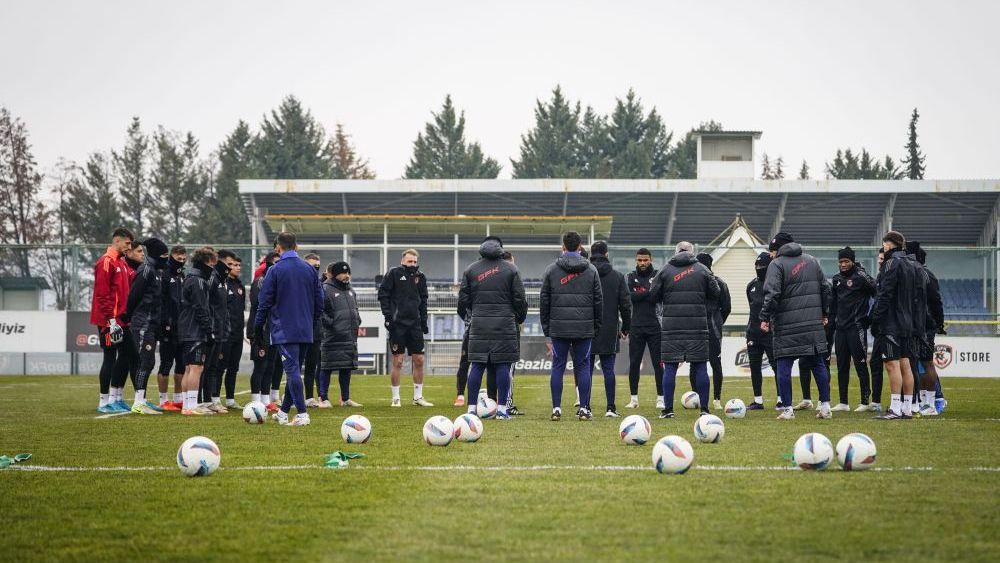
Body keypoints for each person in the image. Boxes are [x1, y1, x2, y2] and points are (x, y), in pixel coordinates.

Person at [759, 232, 833, 420]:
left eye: (772, 251)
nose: (771, 255)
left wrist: (764, 317)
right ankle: (825, 407)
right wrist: (824, 313)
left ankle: (788, 410)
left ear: (778, 249)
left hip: (786, 326)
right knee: (818, 364)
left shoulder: (776, 264)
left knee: (783, 366)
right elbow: (826, 288)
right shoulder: (812, 260)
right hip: (812, 323)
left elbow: (772, 294)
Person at [254, 232, 324, 426]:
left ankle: (302, 414)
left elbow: (264, 303)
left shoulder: (274, 271)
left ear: (278, 248)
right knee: (295, 370)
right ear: (296, 247)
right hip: (305, 329)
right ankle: (284, 412)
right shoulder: (309, 269)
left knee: (292, 371)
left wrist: (257, 328)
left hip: (284, 330)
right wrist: (311, 321)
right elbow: (320, 301)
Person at [458, 236, 528, 420]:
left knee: (477, 366)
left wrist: (472, 316)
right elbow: (520, 299)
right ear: (500, 250)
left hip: (479, 324)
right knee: (503, 365)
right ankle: (502, 410)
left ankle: (471, 410)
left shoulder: (470, 270)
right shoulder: (511, 269)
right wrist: (518, 318)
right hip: (504, 324)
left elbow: (462, 301)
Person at [650, 241, 719, 418]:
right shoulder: (702, 269)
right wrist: (705, 311)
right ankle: (704, 409)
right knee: (701, 366)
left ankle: (668, 410)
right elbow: (716, 292)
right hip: (697, 326)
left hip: (671, 326)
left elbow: (653, 294)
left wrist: (663, 312)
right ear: (692, 252)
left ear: (676, 251)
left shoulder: (665, 270)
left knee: (670, 368)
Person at [540, 231, 602, 421]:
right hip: (584, 328)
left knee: (558, 366)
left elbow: (544, 301)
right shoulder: (591, 270)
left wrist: (547, 328)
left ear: (563, 247)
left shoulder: (551, 270)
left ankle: (556, 409)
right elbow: (598, 301)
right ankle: (584, 408)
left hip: (558, 328)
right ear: (581, 246)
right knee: (583, 366)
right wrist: (596, 325)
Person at [872, 231, 918, 420]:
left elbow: (885, 294)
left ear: (889, 245)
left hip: (891, 322)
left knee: (892, 364)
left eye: (884, 245)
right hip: (907, 322)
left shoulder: (891, 263)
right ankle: (907, 408)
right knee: (906, 364)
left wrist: (876, 318)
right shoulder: (912, 263)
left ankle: (895, 408)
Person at [378, 248, 432, 407]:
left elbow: (424, 300)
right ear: (402, 261)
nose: (413, 264)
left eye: (415, 262)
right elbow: (383, 295)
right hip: (398, 324)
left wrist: (423, 321)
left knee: (419, 360)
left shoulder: (420, 277)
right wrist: (388, 317)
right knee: (398, 361)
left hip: (415, 324)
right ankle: (395, 398)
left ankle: (418, 397)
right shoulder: (393, 273)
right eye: (410, 261)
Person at [122, 237, 170, 414]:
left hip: (152, 323)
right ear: (157, 254)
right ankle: (138, 402)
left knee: (149, 362)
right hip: (143, 323)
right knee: (144, 361)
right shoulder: (146, 270)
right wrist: (129, 317)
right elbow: (133, 296)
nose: (167, 257)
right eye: (164, 254)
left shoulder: (156, 270)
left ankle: (142, 399)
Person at [91, 227, 136, 413]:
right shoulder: (106, 262)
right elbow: (102, 295)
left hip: (121, 321)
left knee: (128, 356)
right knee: (110, 357)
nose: (129, 247)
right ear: (117, 240)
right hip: (109, 321)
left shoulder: (122, 263)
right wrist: (110, 321)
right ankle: (103, 402)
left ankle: (116, 398)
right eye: (127, 243)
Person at [829, 246, 877, 412]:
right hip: (840, 330)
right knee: (841, 366)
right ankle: (843, 402)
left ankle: (865, 402)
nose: (843, 264)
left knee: (861, 364)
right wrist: (831, 322)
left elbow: (878, 293)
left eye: (846, 261)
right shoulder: (835, 280)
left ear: (853, 261)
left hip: (856, 328)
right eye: (841, 261)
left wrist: (869, 317)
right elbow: (833, 305)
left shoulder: (861, 277)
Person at [587, 241, 631, 418]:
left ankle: (585, 406)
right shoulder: (618, 277)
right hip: (609, 328)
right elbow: (626, 306)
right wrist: (626, 327)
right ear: (606, 254)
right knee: (608, 370)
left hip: (587, 328)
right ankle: (611, 408)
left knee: (586, 370)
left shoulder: (585, 274)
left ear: (591, 254)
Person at [906, 241, 944, 417]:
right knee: (916, 363)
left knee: (927, 362)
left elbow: (936, 301)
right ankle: (922, 399)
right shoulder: (912, 273)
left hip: (926, 325)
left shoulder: (927, 275)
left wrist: (938, 323)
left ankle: (931, 402)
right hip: (913, 325)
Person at [178, 246, 217, 416]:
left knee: (189, 368)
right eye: (212, 263)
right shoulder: (198, 281)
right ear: (206, 262)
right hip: (195, 330)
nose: (213, 268)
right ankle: (191, 406)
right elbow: (202, 308)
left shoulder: (189, 278)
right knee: (196, 368)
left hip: (186, 328)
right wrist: (209, 331)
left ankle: (188, 405)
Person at [319, 261, 362, 408]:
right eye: (343, 273)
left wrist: (358, 319)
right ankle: (323, 398)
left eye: (348, 272)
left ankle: (345, 399)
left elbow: (355, 308)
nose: (346, 275)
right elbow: (319, 311)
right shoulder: (325, 289)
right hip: (332, 336)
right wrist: (330, 323)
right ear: (336, 274)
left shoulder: (351, 290)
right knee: (327, 367)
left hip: (349, 336)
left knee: (346, 368)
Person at [626, 248, 664, 410]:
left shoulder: (657, 276)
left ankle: (661, 398)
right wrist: (647, 293)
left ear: (651, 260)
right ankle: (634, 399)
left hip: (655, 326)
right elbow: (629, 297)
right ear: (636, 260)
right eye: (640, 260)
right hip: (636, 326)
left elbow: (657, 296)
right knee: (634, 363)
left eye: (645, 260)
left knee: (658, 364)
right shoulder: (629, 277)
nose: (642, 263)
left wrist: (641, 293)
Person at [695, 252, 731, 410]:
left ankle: (716, 398)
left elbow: (726, 307)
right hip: (699, 326)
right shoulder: (694, 283)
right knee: (697, 363)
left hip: (711, 328)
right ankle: (696, 397)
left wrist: (717, 321)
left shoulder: (719, 283)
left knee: (711, 363)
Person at [745, 252, 779, 410]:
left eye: (763, 266)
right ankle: (758, 400)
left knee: (776, 366)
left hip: (770, 332)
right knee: (754, 366)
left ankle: (781, 399)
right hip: (753, 333)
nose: (759, 269)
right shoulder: (751, 285)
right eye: (757, 266)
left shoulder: (775, 285)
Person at [199, 250, 230, 413]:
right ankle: (201, 402)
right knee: (205, 366)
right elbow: (206, 305)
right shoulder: (212, 279)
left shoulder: (222, 280)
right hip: (211, 330)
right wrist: (209, 327)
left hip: (221, 330)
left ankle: (210, 399)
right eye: (229, 264)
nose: (230, 268)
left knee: (214, 367)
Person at [156, 245, 186, 410]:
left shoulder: (182, 274)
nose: (180, 261)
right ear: (171, 257)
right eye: (178, 258)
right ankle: (163, 400)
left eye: (183, 259)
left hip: (182, 327)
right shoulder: (165, 274)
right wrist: (164, 322)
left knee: (181, 364)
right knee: (166, 363)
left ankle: (178, 398)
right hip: (167, 326)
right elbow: (161, 301)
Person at [247, 251, 279, 408]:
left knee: (270, 365)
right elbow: (258, 305)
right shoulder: (260, 281)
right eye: (276, 262)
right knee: (260, 365)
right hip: (261, 330)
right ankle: (255, 401)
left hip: (274, 330)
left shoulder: (278, 282)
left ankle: (266, 400)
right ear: (269, 264)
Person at [218, 250, 246, 409]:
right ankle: (215, 398)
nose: (237, 267)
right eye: (233, 265)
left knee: (233, 368)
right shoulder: (224, 283)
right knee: (220, 367)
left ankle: (230, 399)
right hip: (225, 334)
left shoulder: (240, 286)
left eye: (238, 265)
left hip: (237, 334)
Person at [302, 252, 323, 407]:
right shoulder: (299, 283)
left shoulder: (318, 283)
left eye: (317, 266)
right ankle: (291, 397)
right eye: (312, 266)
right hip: (299, 329)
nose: (315, 269)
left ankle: (309, 397)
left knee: (311, 365)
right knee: (294, 366)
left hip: (315, 330)